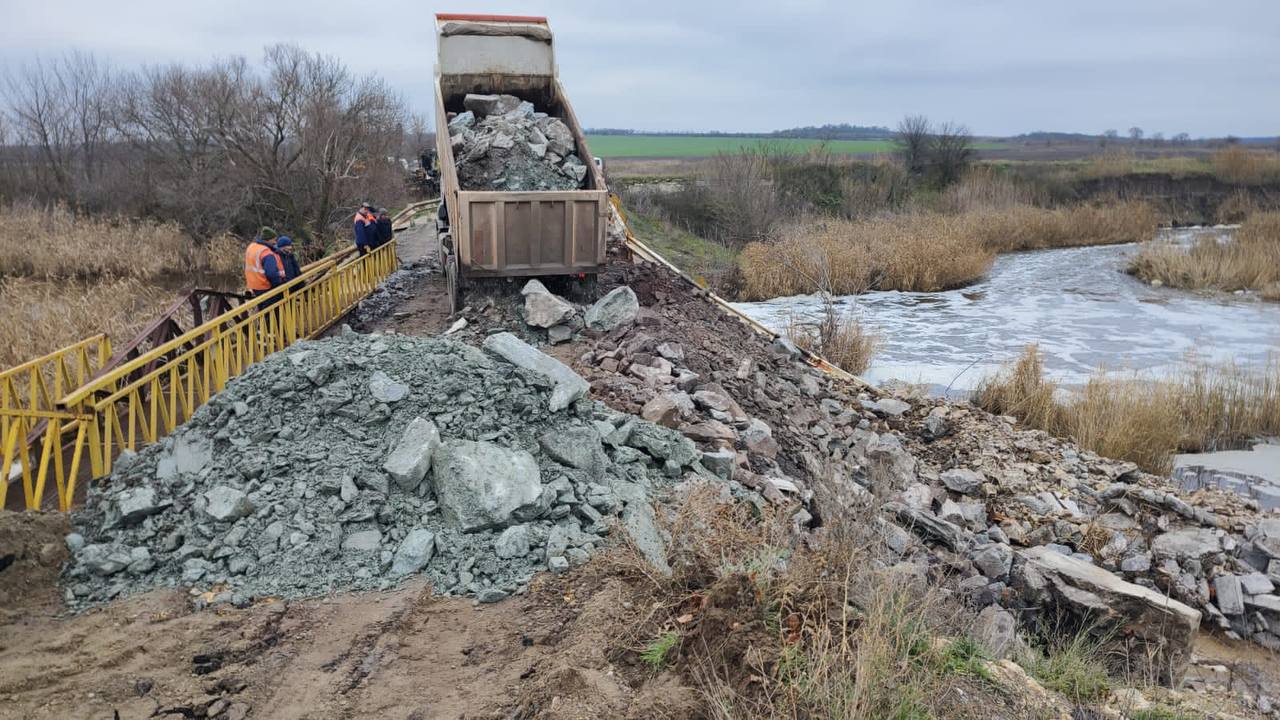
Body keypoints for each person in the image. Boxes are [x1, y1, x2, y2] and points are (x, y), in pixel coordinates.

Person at [243, 226, 284, 298]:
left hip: (253, 286)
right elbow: (271, 274)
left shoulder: (251, 246)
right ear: (268, 240)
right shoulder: (266, 252)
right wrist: (279, 285)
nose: (275, 242)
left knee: (262, 307)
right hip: (265, 287)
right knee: (271, 308)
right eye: (274, 240)